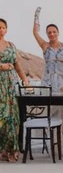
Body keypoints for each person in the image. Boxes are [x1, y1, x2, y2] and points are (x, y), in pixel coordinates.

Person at [32, 8, 63, 151]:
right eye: (49, 32)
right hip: (48, 83)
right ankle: (54, 143)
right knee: (52, 113)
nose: (52, 34)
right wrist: (36, 16)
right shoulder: (45, 46)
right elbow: (35, 32)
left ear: (58, 33)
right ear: (47, 34)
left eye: (54, 32)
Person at [0, 18, 30, 163]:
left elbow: (17, 64)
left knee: (12, 117)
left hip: (11, 85)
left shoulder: (11, 45)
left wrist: (24, 79)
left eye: (2, 27)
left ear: (6, 29)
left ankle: (11, 150)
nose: (0, 29)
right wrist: (2, 66)